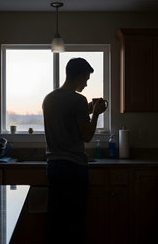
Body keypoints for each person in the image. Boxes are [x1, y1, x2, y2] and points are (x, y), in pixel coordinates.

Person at [42, 57, 107, 244]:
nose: (86, 84)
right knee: (74, 220)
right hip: (74, 168)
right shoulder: (79, 100)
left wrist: (84, 112)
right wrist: (95, 113)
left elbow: (65, 120)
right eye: (86, 79)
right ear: (78, 76)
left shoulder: (49, 99)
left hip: (53, 167)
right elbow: (86, 136)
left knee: (55, 219)